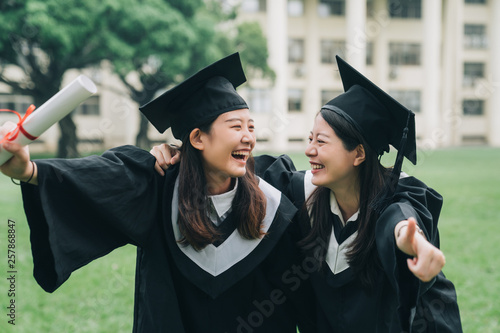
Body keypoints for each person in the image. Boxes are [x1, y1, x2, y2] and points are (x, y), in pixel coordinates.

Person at [0, 53, 315, 332]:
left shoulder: (274, 186)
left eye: (251, 127)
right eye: (236, 127)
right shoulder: (158, 185)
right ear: (197, 138)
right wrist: (29, 172)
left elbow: (333, 186)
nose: (248, 137)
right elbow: (102, 177)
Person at [151, 55, 463, 332]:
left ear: (358, 154)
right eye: (310, 137)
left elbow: (400, 217)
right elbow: (240, 166)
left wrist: (411, 241)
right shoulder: (302, 192)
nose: (308, 150)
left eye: (322, 143)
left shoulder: (399, 195)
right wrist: (182, 152)